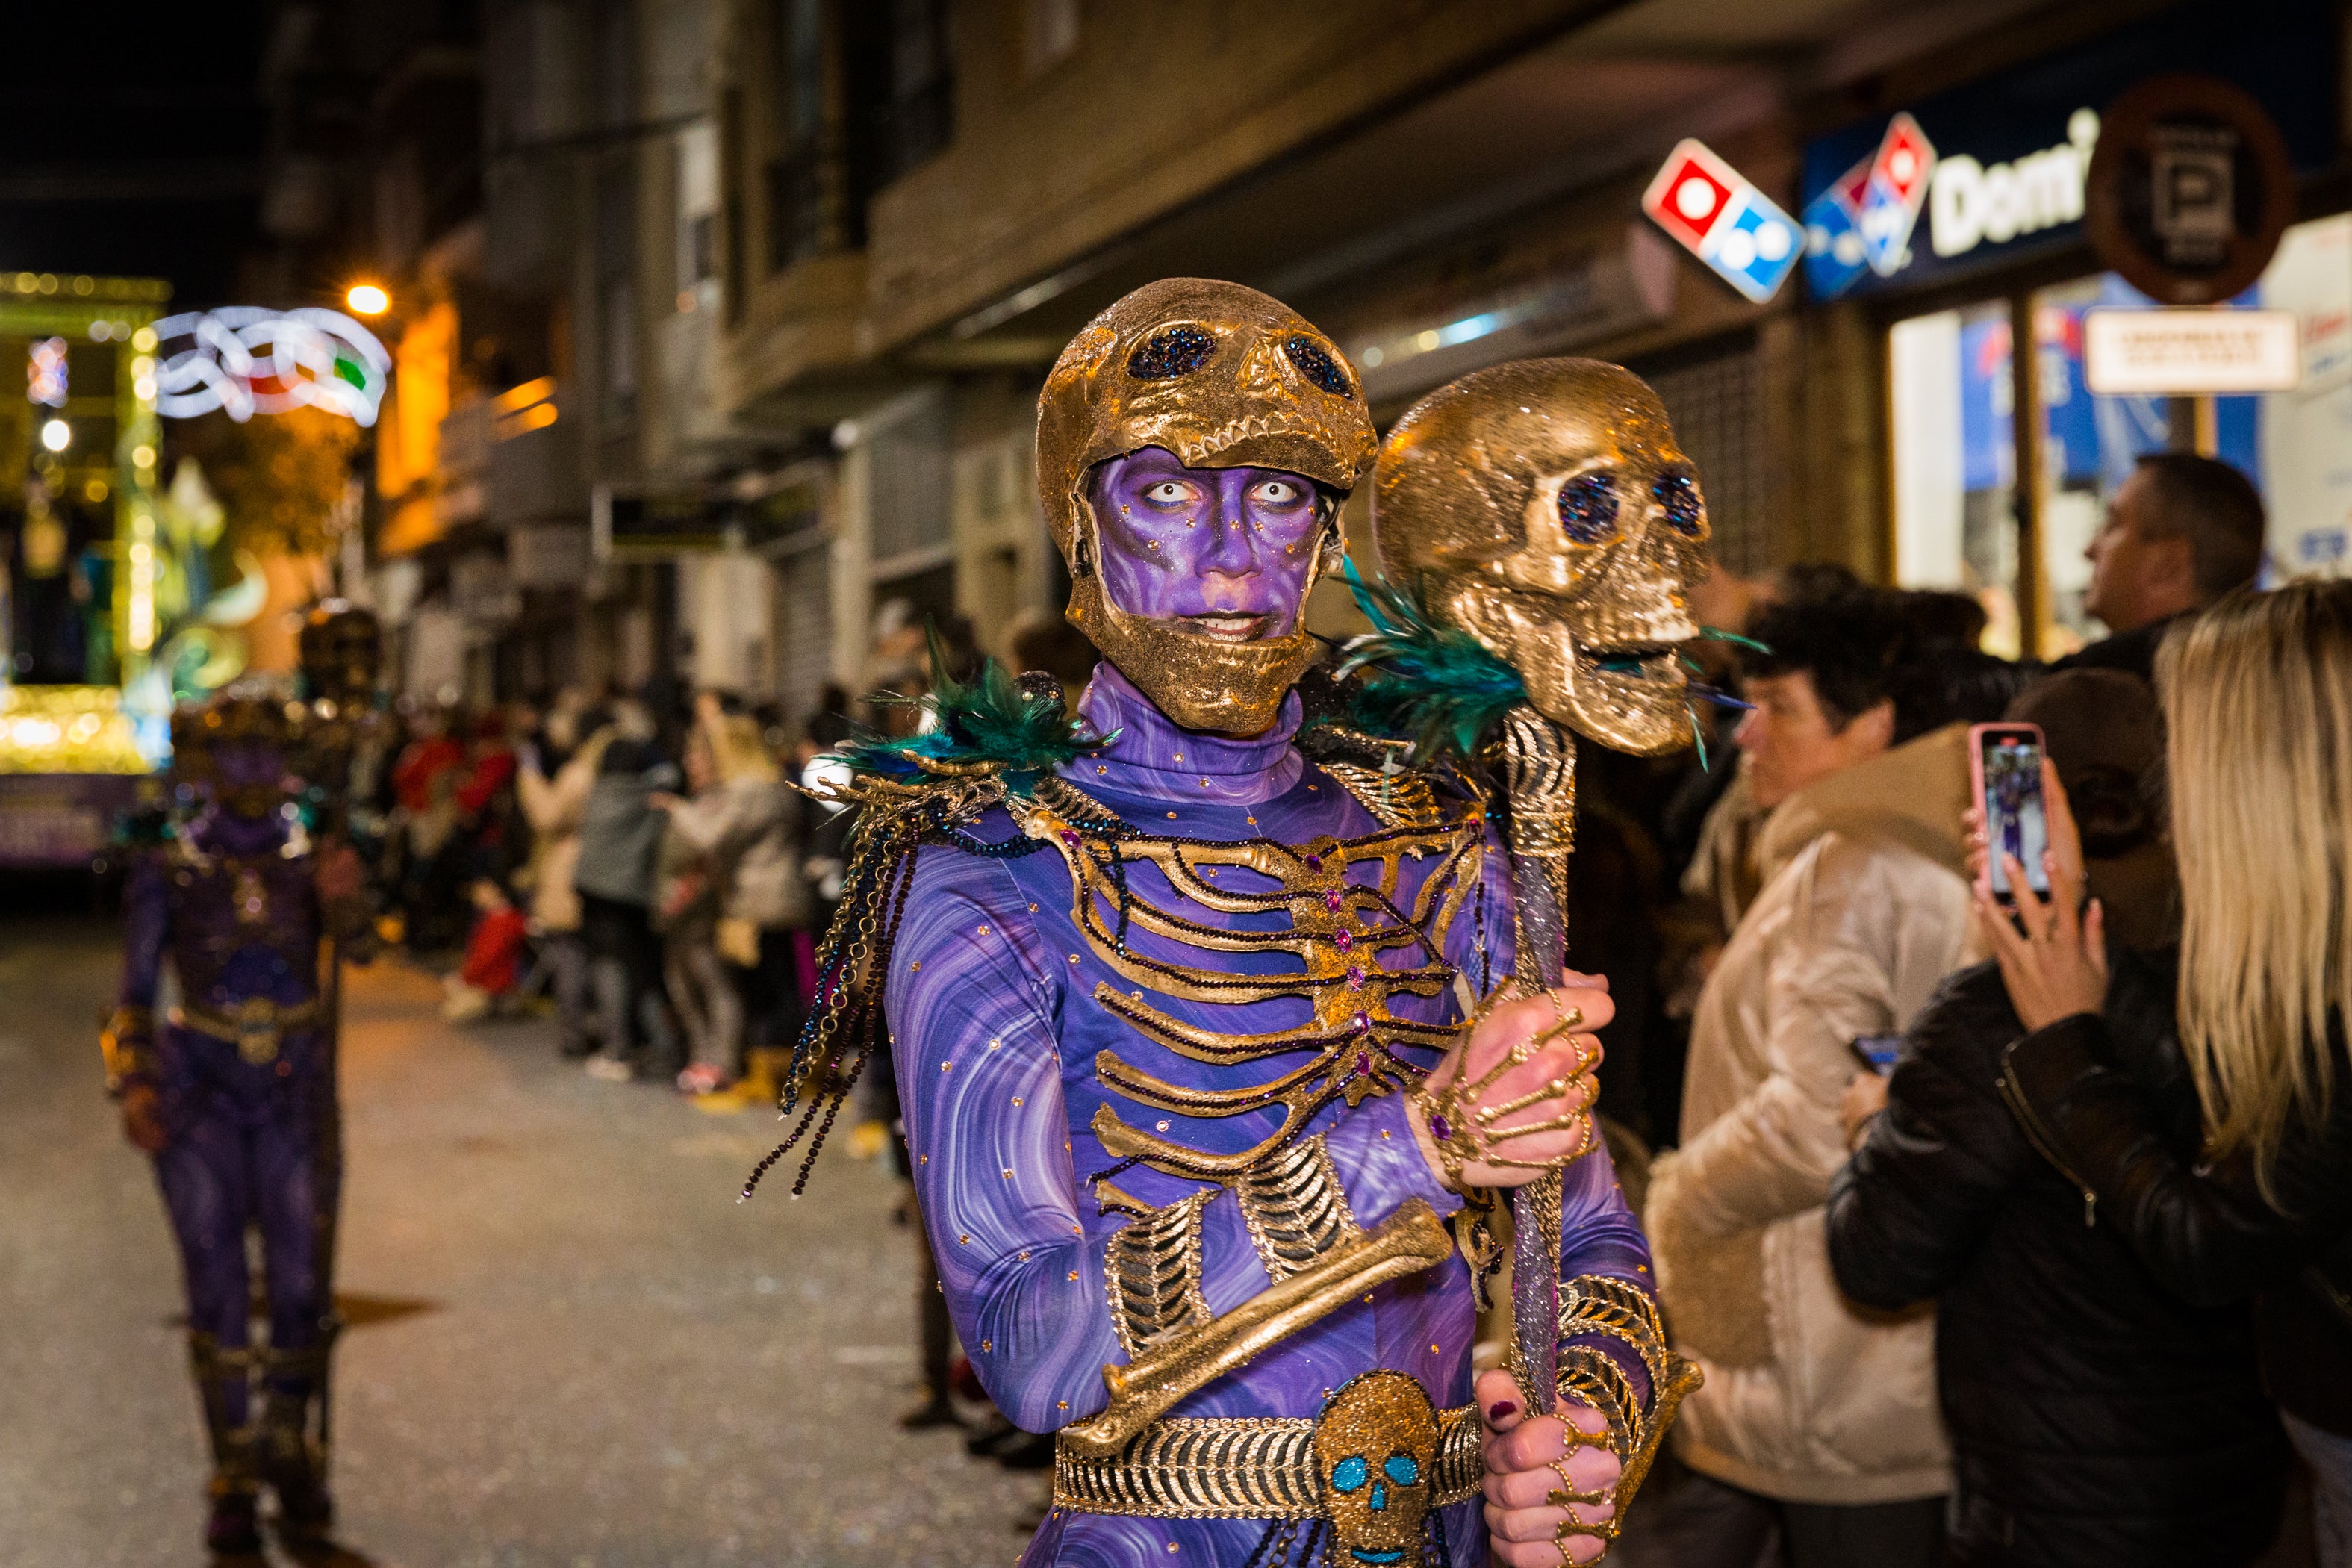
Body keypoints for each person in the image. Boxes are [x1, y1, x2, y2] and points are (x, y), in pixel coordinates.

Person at [757, 281, 1695, 1568]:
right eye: (1166, 494)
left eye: (1277, 496)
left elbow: (1585, 1232)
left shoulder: (1432, 840)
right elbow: (1032, 1349)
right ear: (1078, 519)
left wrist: (1587, 1431)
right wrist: (1416, 1146)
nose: (1232, 562)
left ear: (1323, 534)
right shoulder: (993, 865)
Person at [1824, 668, 2289, 1566]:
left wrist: (1872, 1126)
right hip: (2234, 1474)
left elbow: (1876, 1258)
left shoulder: (1998, 1014)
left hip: (2054, 1506)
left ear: (2027, 812)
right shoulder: (2253, 977)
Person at [1992, 582, 2352, 1565]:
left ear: (2265, 774)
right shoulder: (2309, 948)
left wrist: (2063, 1034)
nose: (2161, 785)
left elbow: (2212, 1238)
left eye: (2183, 746)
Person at [1643, 588, 1971, 1566]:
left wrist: (1671, 1197)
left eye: (1776, 706)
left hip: (1829, 1358)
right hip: (1853, 1351)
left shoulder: (1852, 861)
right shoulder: (1898, 846)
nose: (1744, 737)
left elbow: (1814, 1115)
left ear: (1868, 724)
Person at [102, 693, 372, 1553]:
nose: (253, 770)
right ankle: (232, 1469)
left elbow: (359, 950)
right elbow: (134, 993)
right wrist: (136, 1083)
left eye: (267, 750)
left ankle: (288, 1443)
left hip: (295, 1087)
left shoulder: (312, 852)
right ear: (204, 762)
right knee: (216, 1290)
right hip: (202, 1090)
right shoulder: (171, 861)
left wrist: (349, 901)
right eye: (236, 752)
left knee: (299, 1283)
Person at [2058, 452, 2265, 682]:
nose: (2088, 550)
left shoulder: (2104, 681)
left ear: (2168, 564)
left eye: (2113, 525)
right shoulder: (2254, 675)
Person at [572, 698, 679, 1083]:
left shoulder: (597, 796)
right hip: (634, 897)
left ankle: (618, 1051)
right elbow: (668, 777)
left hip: (595, 895)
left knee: (610, 971)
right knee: (644, 972)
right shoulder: (649, 798)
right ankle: (665, 1048)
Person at [516, 700, 612, 1057]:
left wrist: (528, 776)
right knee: (596, 957)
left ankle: (573, 1036)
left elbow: (547, 816)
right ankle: (605, 1031)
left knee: (569, 956)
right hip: (603, 871)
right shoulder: (613, 768)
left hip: (571, 872)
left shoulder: (580, 773)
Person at [443, 876, 534, 1024]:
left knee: (454, 1007)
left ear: (496, 890)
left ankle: (487, 1005)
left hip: (493, 984)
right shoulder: (498, 917)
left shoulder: (501, 921)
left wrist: (466, 979)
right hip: (490, 981)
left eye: (481, 890)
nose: (476, 895)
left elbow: (488, 958)